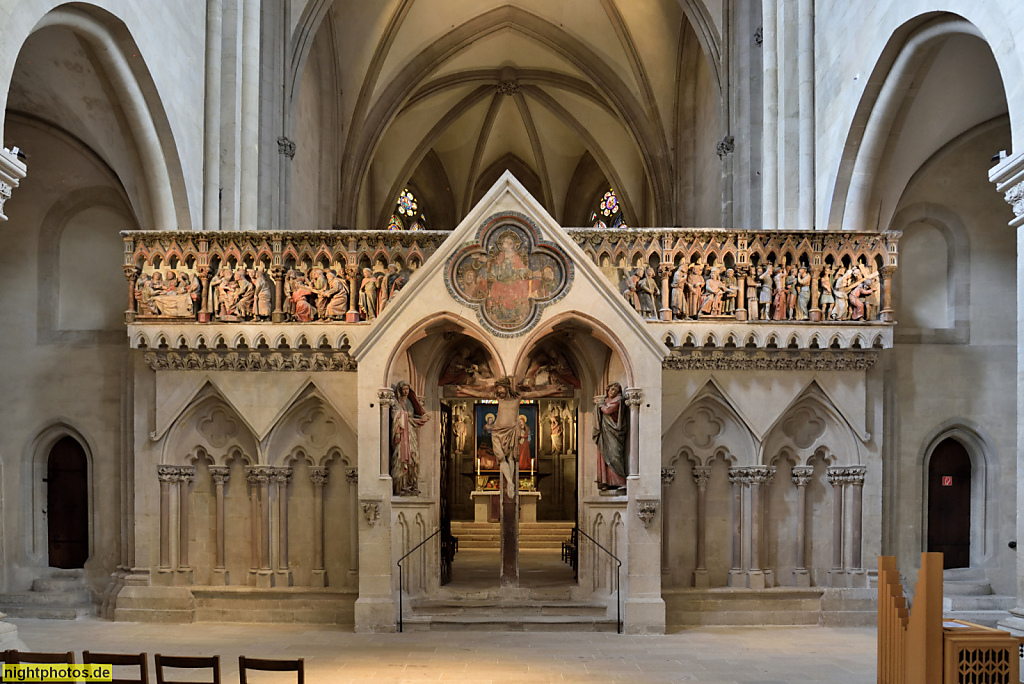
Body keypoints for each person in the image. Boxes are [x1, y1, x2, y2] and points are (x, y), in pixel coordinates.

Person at [390, 381, 429, 496]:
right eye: (404, 389)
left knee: (413, 457)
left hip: (411, 432)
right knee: (402, 458)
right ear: (400, 390)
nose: (406, 391)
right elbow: (396, 415)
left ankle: (411, 484)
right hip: (403, 434)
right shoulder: (397, 403)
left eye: (407, 389)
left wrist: (422, 417)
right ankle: (401, 485)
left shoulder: (411, 403)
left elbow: (415, 416)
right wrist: (404, 415)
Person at [594, 382, 628, 491]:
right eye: (611, 389)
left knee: (615, 455)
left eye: (615, 390)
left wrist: (601, 405)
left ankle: (621, 481)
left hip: (614, 432)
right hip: (605, 433)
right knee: (604, 456)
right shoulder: (605, 401)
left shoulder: (618, 400)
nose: (612, 392)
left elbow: (607, 410)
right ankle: (605, 481)